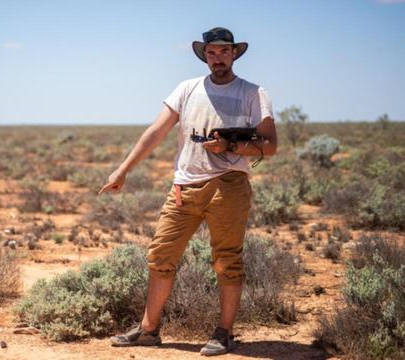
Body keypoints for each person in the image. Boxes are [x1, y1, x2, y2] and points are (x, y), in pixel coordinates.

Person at [99, 27, 277, 356]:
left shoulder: (252, 93)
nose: (218, 57)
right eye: (212, 52)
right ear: (204, 54)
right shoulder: (187, 88)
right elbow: (156, 131)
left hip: (228, 186)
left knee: (227, 262)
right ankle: (149, 330)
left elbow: (270, 145)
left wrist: (230, 144)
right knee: (160, 257)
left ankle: (224, 333)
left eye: (224, 51)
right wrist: (123, 170)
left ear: (235, 53)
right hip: (184, 186)